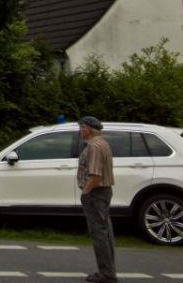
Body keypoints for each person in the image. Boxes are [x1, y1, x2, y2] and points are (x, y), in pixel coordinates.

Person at [78, 116, 116, 283]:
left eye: (81, 128)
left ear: (88, 129)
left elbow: (95, 175)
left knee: (99, 234)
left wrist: (85, 192)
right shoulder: (103, 143)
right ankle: (108, 271)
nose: (80, 131)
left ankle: (106, 275)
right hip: (103, 192)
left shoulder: (94, 146)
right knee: (105, 232)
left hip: (95, 193)